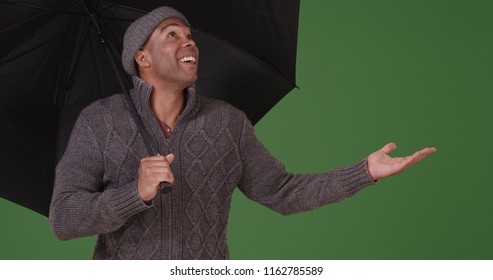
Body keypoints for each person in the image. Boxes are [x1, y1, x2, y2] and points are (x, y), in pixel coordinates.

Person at [49, 6, 436, 260]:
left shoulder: (227, 122)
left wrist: (364, 171)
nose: (189, 42)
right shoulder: (99, 122)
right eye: (171, 34)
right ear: (142, 58)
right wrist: (135, 194)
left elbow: (282, 192)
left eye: (189, 35)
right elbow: (64, 218)